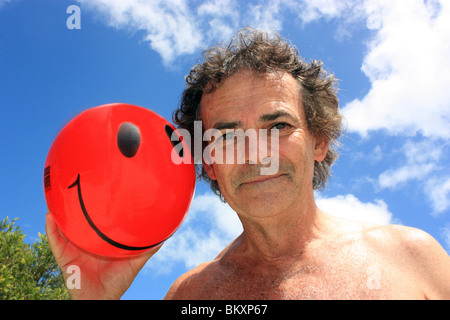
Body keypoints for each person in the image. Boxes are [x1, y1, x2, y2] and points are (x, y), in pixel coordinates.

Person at [46, 28, 450, 300]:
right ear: (207, 163)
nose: (256, 153)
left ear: (319, 140)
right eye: (225, 136)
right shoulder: (190, 296)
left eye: (277, 125)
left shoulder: (414, 257)